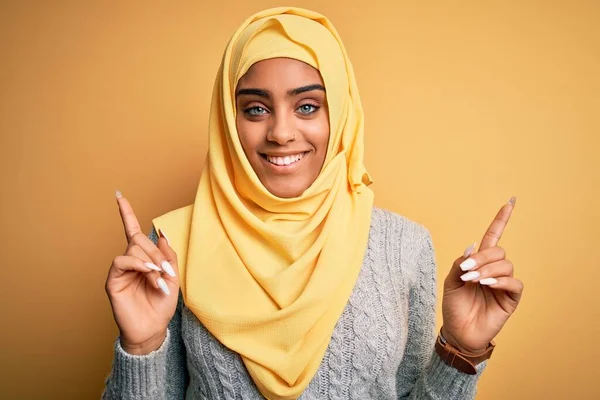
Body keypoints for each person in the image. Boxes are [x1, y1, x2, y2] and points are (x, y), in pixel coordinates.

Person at [103, 7, 523, 400]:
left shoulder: (404, 246)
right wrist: (141, 345)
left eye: (307, 106)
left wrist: (461, 350)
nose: (281, 132)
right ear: (229, 124)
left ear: (340, 115)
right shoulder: (174, 245)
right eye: (255, 109)